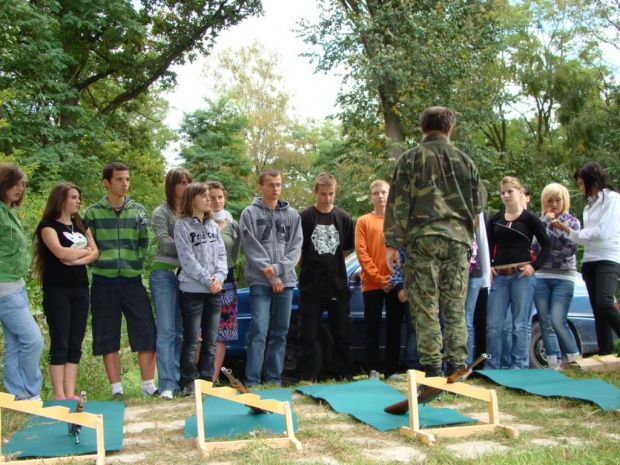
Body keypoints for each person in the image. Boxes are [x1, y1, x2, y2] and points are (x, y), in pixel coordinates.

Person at [384, 106, 486, 378]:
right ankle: (457, 366)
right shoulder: (466, 161)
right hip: (457, 242)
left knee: (426, 306)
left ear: (422, 128)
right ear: (450, 129)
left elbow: (397, 204)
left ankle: (432, 369)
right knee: (455, 307)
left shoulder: (409, 159)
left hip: (422, 242)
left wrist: (392, 245)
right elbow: (478, 205)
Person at [84, 162, 157, 398]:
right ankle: (116, 390)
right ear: (107, 182)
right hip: (103, 282)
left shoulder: (138, 211)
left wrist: (134, 264)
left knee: (146, 330)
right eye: (119, 179)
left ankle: (148, 386)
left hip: (132, 280)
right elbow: (87, 245)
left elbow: (143, 244)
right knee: (107, 334)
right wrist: (99, 264)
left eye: (127, 179)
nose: (124, 184)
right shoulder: (92, 213)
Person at [32, 183, 99, 400]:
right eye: (73, 197)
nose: (78, 201)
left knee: (75, 340)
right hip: (57, 290)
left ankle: (71, 393)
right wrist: (81, 254)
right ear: (61, 200)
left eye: (79, 197)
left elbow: (95, 252)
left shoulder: (80, 224)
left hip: (80, 288)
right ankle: (59, 394)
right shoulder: (48, 226)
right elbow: (60, 253)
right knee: (60, 340)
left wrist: (80, 256)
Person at [240, 169, 302, 387]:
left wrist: (278, 269)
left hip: (286, 282)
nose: (275, 188)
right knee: (258, 329)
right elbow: (250, 247)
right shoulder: (249, 213)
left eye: (278, 184)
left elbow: (295, 248)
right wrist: (270, 273)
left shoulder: (293, 215)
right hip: (260, 281)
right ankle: (252, 380)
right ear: (260, 187)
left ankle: (274, 379)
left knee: (280, 332)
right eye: (270, 184)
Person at [551, 162, 620, 356]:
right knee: (598, 308)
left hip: (608, 256)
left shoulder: (613, 199)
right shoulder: (589, 206)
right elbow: (583, 237)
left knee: (606, 302)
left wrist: (577, 233)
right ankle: (605, 350)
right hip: (590, 259)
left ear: (592, 181)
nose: (581, 188)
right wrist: (567, 230)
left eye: (582, 183)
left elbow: (604, 231)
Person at [485, 176, 550, 370]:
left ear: (520, 193)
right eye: (503, 192)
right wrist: (489, 266)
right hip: (500, 277)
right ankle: (492, 365)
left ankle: (518, 366)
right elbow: (488, 246)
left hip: (522, 276)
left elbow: (546, 245)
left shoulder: (530, 219)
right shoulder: (496, 219)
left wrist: (534, 266)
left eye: (510, 191)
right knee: (494, 324)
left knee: (520, 324)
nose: (506, 195)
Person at [297, 172, 354, 381]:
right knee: (308, 334)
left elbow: (345, 251)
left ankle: (343, 374)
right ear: (315, 192)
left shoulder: (345, 218)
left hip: (338, 285)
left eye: (331, 194)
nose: (327, 198)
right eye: (323, 194)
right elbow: (299, 253)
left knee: (342, 334)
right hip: (311, 286)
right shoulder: (303, 217)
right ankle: (306, 375)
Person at [174, 182, 227, 397]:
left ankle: (207, 380)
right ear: (191, 199)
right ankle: (188, 382)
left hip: (214, 291)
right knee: (191, 339)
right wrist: (207, 279)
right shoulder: (182, 225)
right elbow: (187, 260)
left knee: (211, 339)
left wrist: (220, 278)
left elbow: (222, 255)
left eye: (210, 196)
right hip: (192, 290)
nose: (209, 199)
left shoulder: (213, 225)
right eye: (203, 196)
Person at [0, 164, 44, 400]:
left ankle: (17, 394)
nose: (20, 188)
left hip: (15, 284)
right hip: (3, 286)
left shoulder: (8, 211)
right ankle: (30, 391)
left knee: (15, 343)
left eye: (22, 184)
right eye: (14, 183)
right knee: (33, 339)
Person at [355, 180, 404, 380]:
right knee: (372, 327)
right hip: (372, 283)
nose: (380, 196)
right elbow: (362, 253)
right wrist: (378, 277)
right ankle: (373, 369)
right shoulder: (363, 221)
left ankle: (392, 370)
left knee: (394, 327)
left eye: (384, 192)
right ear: (371, 197)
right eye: (376, 193)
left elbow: (404, 251)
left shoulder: (398, 221)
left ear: (390, 195)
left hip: (396, 282)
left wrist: (395, 279)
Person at [150, 168, 191, 400]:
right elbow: (165, 245)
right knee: (166, 330)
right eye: (180, 182)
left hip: (188, 277)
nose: (184, 185)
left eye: (188, 182)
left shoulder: (192, 212)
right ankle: (166, 384)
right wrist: (189, 243)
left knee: (181, 331)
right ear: (171, 185)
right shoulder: (161, 212)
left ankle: (177, 380)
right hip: (164, 273)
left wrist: (182, 241)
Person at [531, 183, 581, 369]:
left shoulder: (573, 222)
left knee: (557, 319)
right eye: (549, 200)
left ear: (564, 200)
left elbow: (569, 250)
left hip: (564, 276)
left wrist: (549, 247)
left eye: (558, 200)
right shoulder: (539, 221)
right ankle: (552, 361)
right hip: (542, 275)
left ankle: (574, 359)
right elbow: (535, 248)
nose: (554, 204)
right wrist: (545, 223)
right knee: (544, 319)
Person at [207, 181, 241, 382]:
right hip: (203, 283)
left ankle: (212, 379)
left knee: (221, 335)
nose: (216, 201)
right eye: (212, 197)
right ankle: (196, 378)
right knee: (201, 335)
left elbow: (234, 254)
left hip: (227, 284)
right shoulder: (198, 222)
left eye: (220, 197)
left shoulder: (232, 224)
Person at [464, 213, 491, 364]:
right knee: (449, 319)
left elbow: (483, 243)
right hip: (451, 276)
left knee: (467, 319)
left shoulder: (476, 213)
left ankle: (466, 364)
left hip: (474, 274)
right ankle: (450, 362)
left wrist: (486, 277)